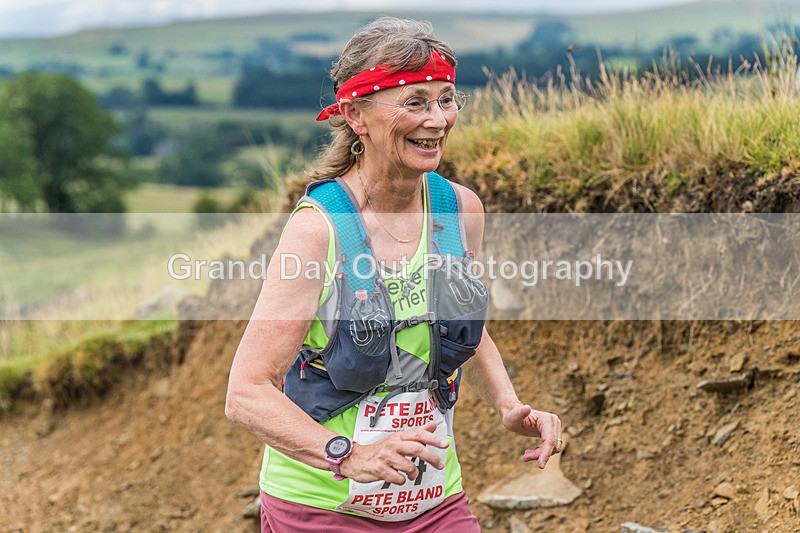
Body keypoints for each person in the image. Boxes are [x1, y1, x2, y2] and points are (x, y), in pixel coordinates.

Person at [225, 16, 563, 532]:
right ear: (356, 115)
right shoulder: (319, 231)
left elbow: (456, 327)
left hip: (435, 504)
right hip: (321, 509)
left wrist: (508, 404)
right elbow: (246, 391)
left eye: (446, 99)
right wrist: (348, 454)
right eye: (415, 102)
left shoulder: (459, 210)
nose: (438, 119)